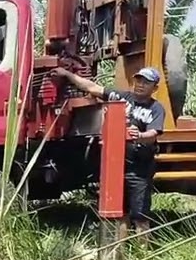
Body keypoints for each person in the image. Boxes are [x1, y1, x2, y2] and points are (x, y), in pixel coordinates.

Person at [52, 66, 167, 242]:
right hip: (117, 165)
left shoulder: (156, 108)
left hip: (139, 170)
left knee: (140, 214)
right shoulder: (120, 98)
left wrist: (140, 136)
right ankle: (119, 251)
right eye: (139, 80)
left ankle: (142, 255)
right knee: (120, 212)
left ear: (154, 88)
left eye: (146, 82)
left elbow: (153, 134)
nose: (141, 85)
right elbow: (92, 88)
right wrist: (67, 75)